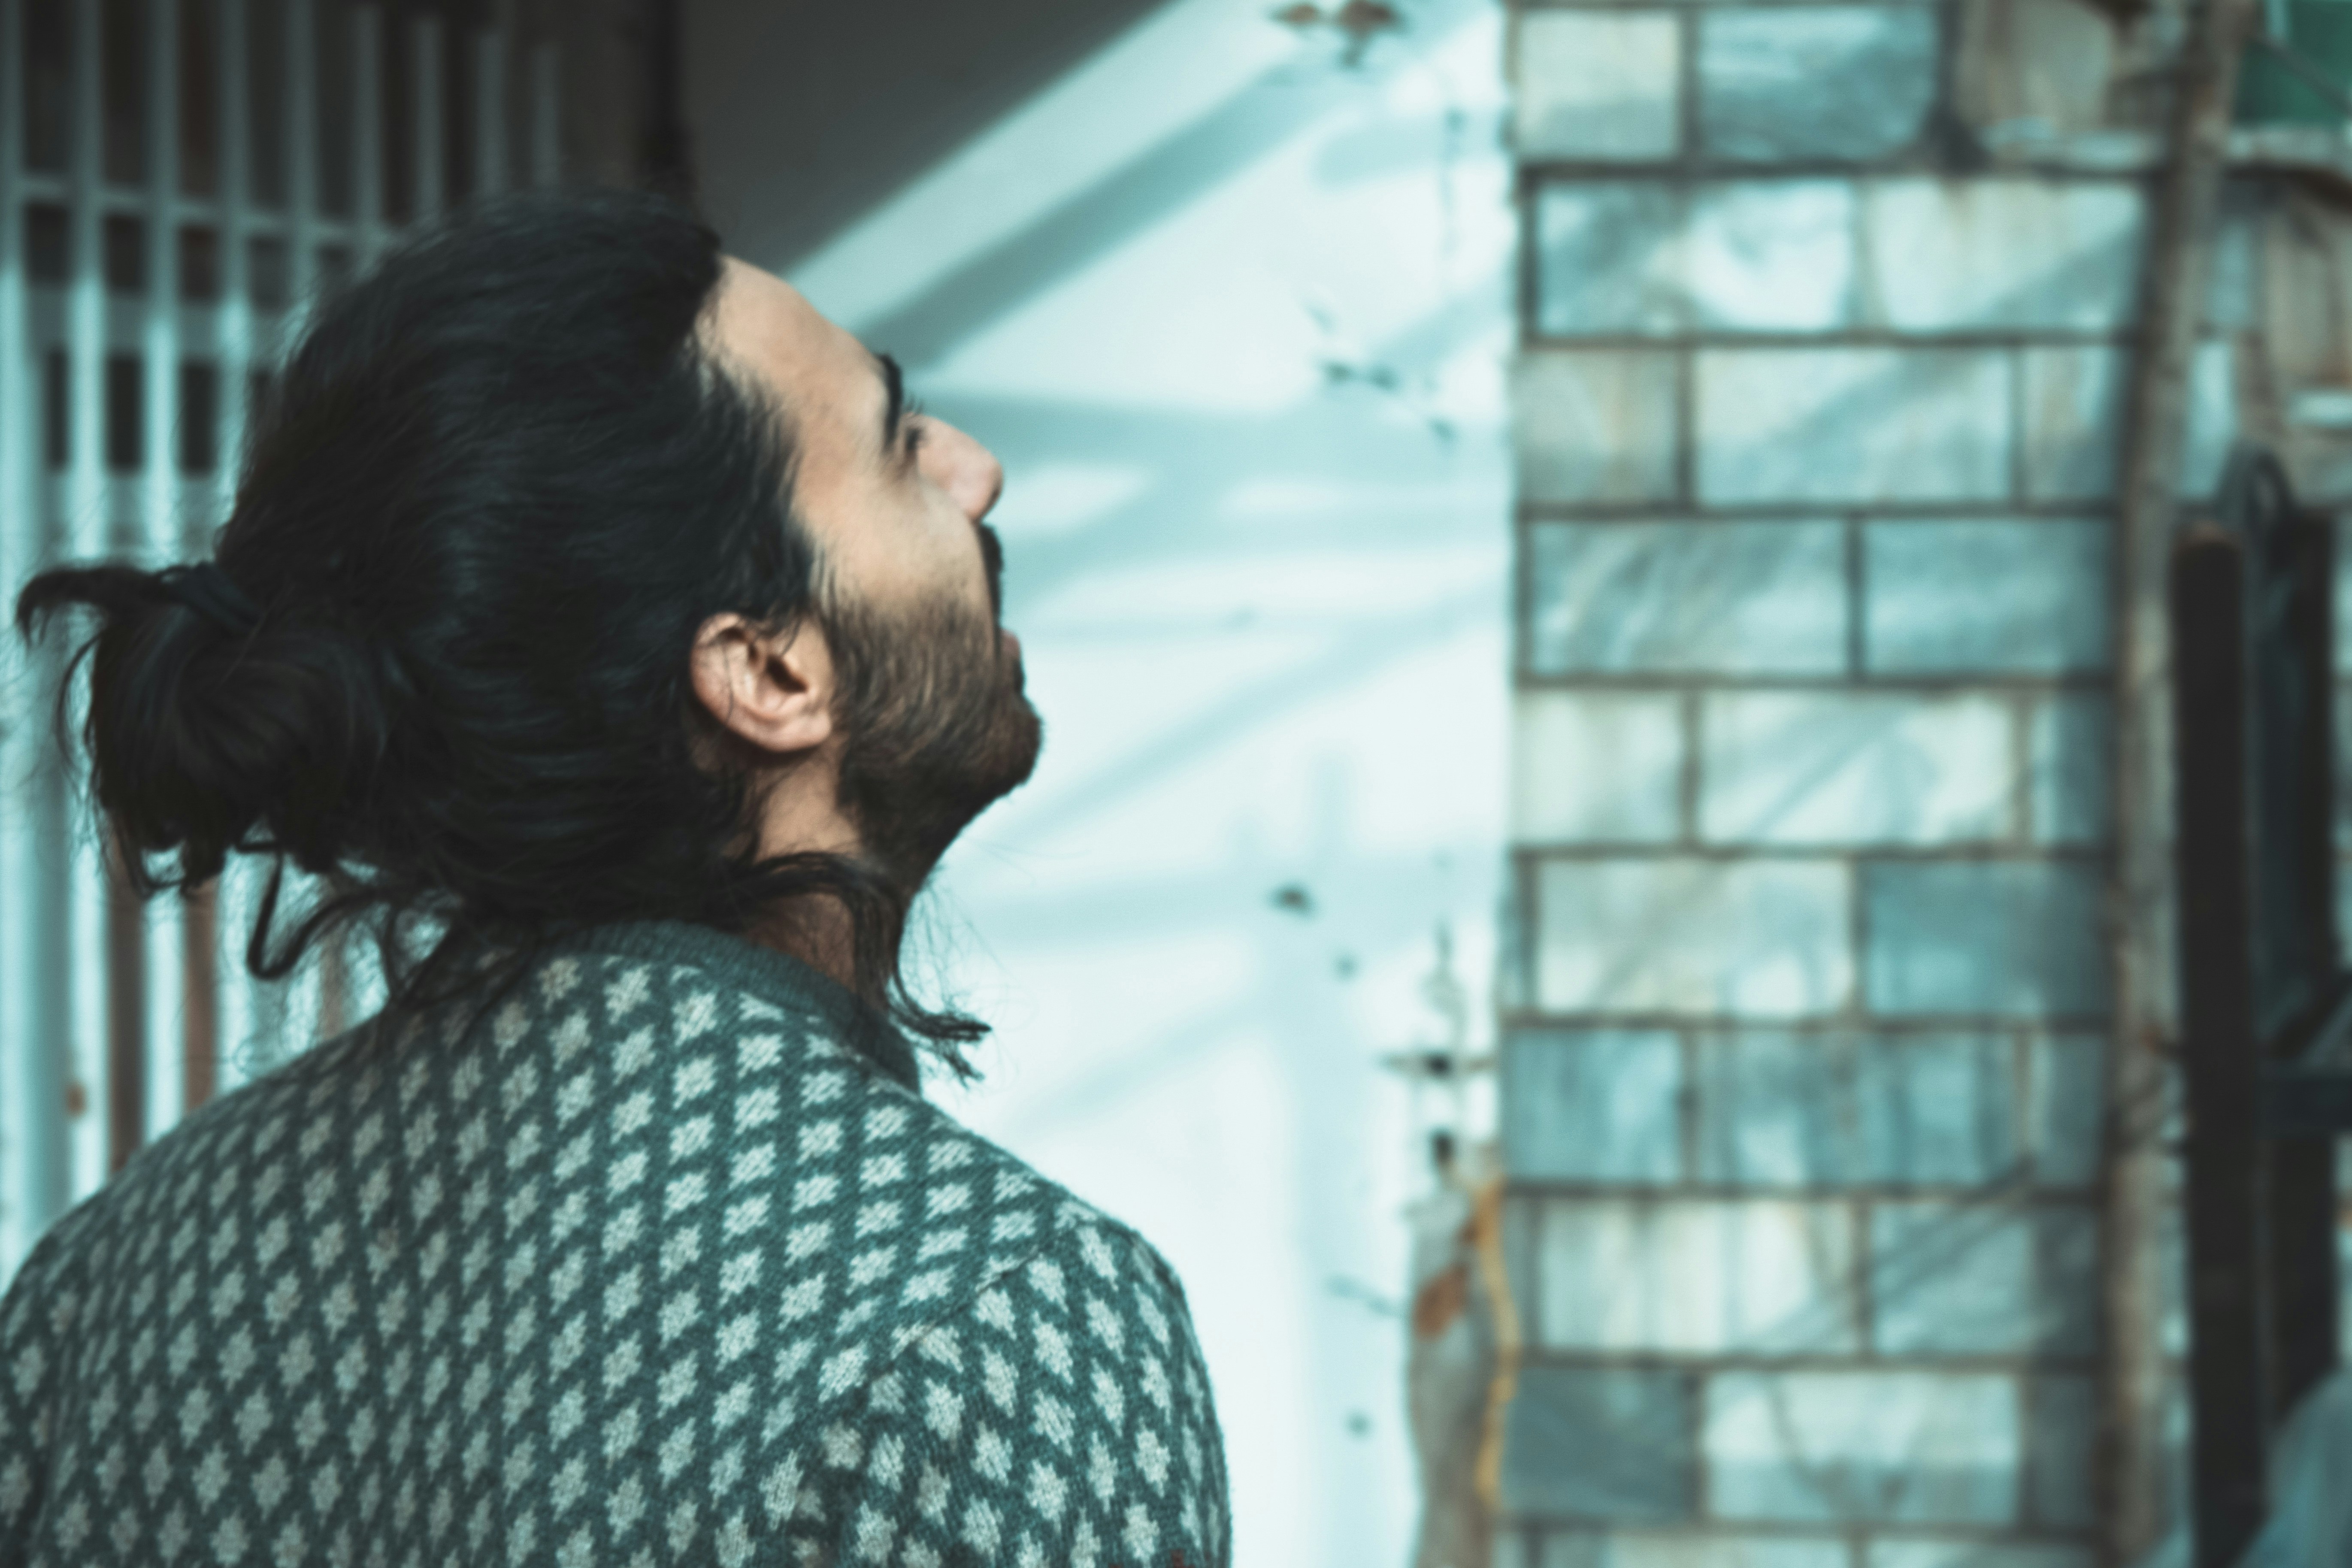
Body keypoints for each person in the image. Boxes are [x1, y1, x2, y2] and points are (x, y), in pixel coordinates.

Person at [0, 191, 1229, 1568]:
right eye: (895, 446)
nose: (975, 469)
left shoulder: (115, 1279)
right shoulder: (994, 1333)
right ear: (768, 673)